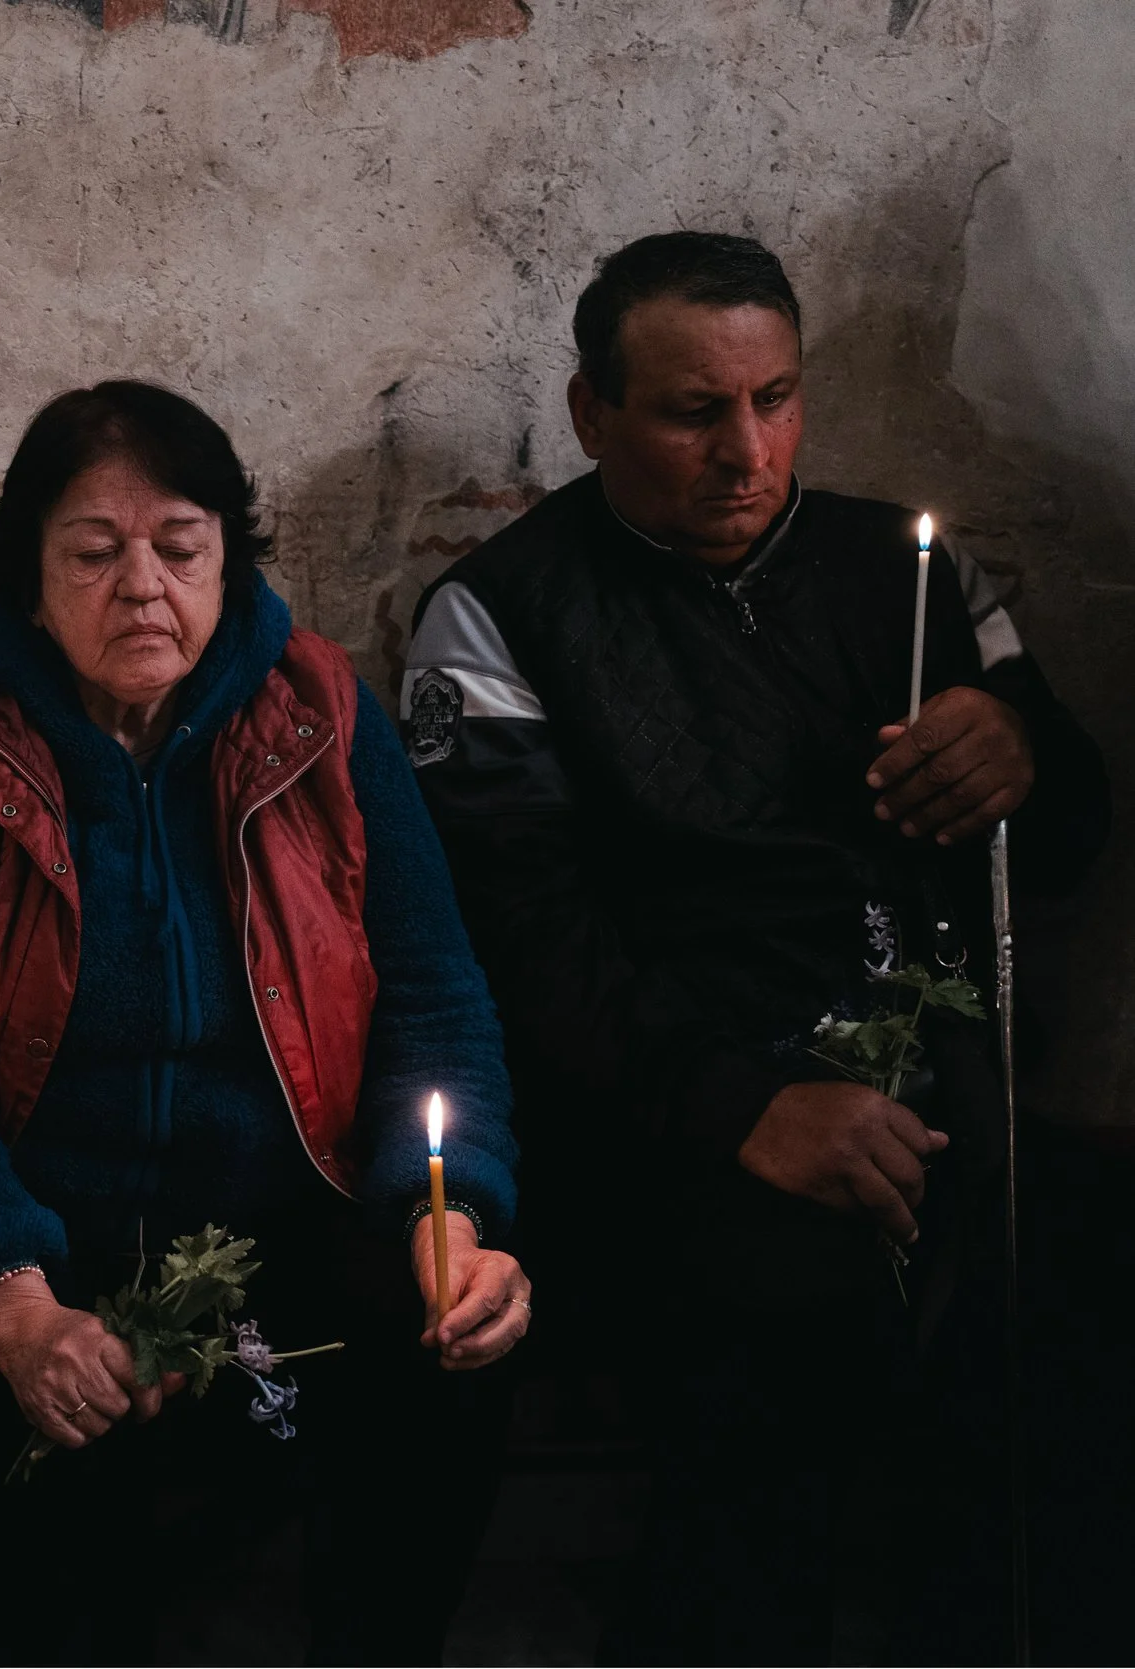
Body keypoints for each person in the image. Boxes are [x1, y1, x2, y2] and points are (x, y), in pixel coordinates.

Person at [400, 231, 1110, 1663]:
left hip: (943, 1092)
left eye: (775, 400)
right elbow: (522, 950)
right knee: (783, 1336)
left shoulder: (903, 574)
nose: (747, 453)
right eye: (693, 412)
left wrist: (1023, 752)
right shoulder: (502, 613)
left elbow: (1081, 847)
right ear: (593, 413)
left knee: (1086, 1287)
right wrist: (746, 1110)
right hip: (667, 1125)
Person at [0, 381, 533, 1663]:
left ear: (227, 562)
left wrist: (447, 1210)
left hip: (275, 1220)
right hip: (23, 1235)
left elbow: (433, 995)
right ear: (27, 575)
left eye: (179, 549)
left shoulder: (323, 722)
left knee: (447, 1335)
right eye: (94, 552)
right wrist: (14, 1299)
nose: (143, 587)